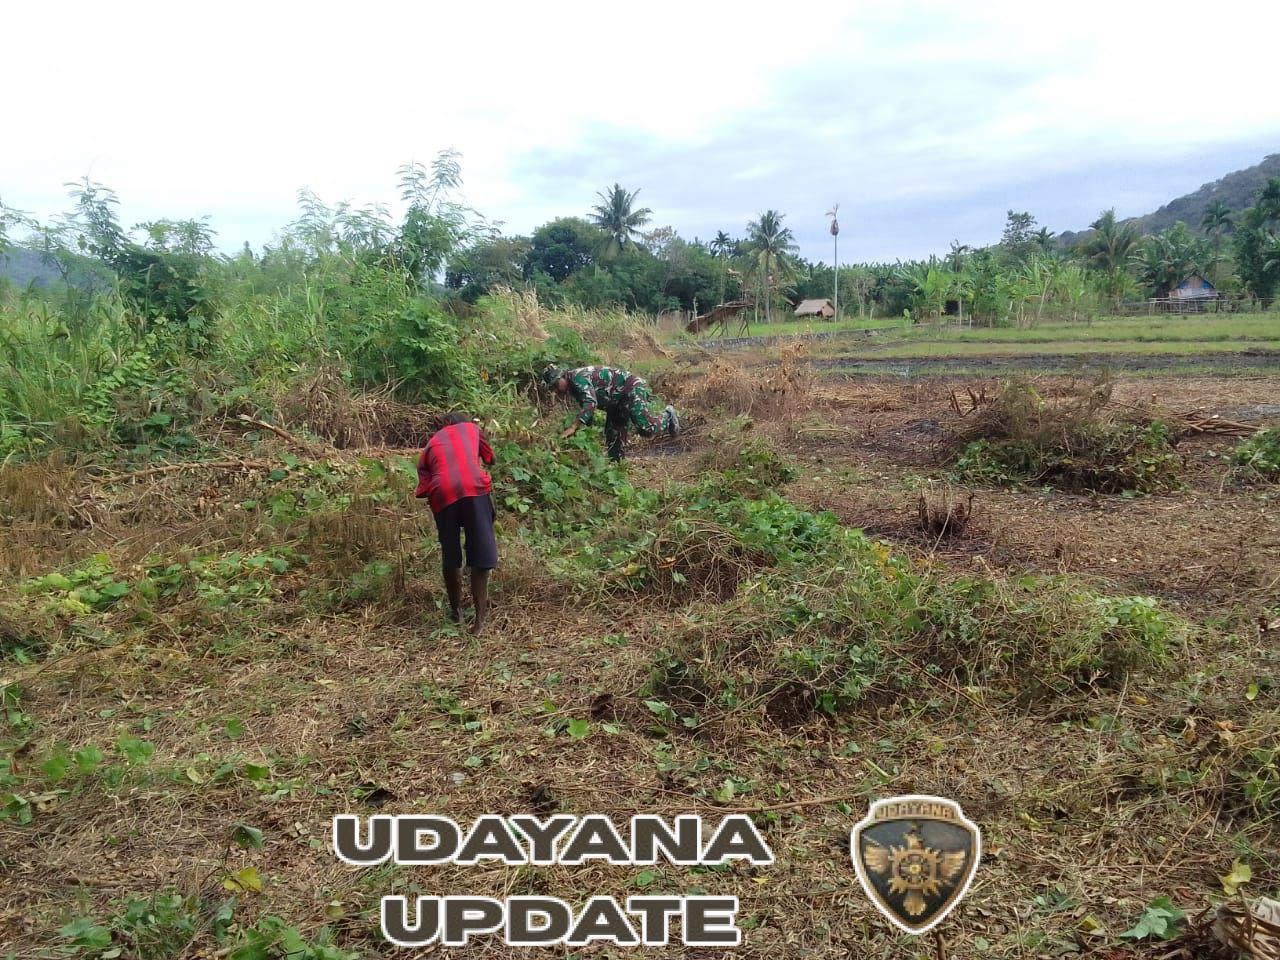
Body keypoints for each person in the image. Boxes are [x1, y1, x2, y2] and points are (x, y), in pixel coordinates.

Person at [414, 413, 498, 635]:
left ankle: (456, 612)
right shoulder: (472, 429)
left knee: (450, 553)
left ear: (445, 425)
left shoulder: (432, 442)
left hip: (442, 492)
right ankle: (479, 621)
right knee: (480, 551)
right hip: (473, 487)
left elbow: (423, 482)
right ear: (464, 422)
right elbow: (491, 459)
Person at [541, 363, 680, 461]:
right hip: (616, 401)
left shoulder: (578, 379)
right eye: (552, 388)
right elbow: (587, 412)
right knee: (613, 435)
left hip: (630, 389)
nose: (556, 390)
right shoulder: (572, 387)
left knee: (646, 427)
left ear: (562, 376)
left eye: (555, 385)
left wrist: (573, 427)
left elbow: (591, 403)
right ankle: (618, 468)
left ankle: (668, 414)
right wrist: (581, 435)